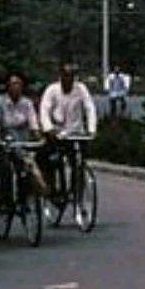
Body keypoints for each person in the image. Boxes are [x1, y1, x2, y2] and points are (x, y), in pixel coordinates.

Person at [39, 64, 97, 198]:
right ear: (60, 76)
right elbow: (44, 110)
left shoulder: (81, 89)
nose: (69, 79)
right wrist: (49, 128)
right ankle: (53, 187)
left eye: (72, 76)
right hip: (57, 133)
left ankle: (77, 191)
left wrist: (91, 129)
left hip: (76, 132)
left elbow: (89, 108)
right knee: (52, 159)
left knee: (78, 162)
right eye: (66, 76)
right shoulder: (52, 90)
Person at [0, 72, 47, 194]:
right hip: (4, 141)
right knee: (6, 168)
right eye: (13, 84)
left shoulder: (27, 103)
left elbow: (33, 124)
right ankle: (5, 199)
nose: (16, 87)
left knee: (27, 168)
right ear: (7, 86)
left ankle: (26, 196)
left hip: (21, 140)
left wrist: (39, 138)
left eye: (19, 84)